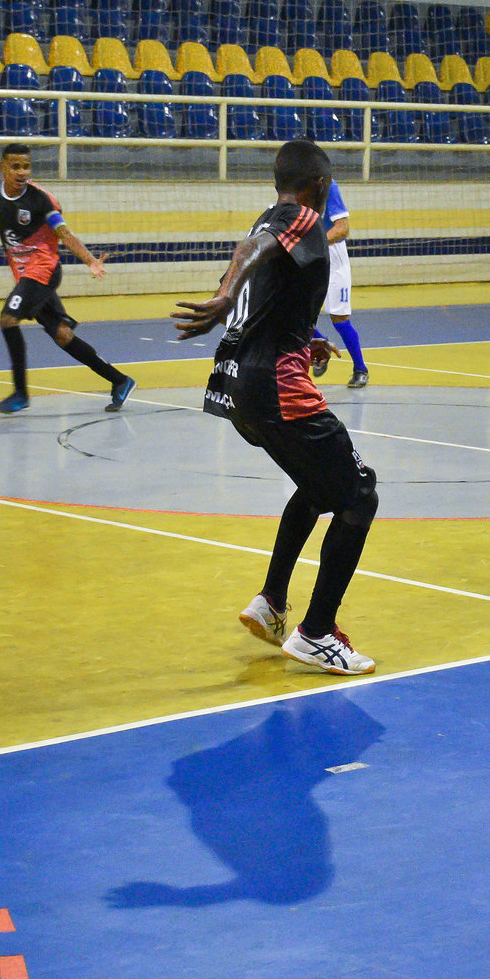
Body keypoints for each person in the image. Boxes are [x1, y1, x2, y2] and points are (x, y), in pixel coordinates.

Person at [174, 139, 380, 675]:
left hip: (240, 378)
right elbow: (251, 255)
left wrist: (303, 335)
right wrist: (222, 296)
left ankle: (270, 603)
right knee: (359, 495)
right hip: (276, 384)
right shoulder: (301, 218)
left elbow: (267, 285)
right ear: (321, 183)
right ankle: (316, 633)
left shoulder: (268, 216)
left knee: (316, 489)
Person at [0, 143, 134, 413]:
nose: (22, 172)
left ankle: (20, 394)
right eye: (16, 166)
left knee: (8, 319)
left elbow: (64, 234)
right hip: (25, 275)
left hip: (43, 270)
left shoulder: (40, 199)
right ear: (3, 167)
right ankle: (119, 380)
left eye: (26, 166)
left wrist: (90, 260)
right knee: (62, 336)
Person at [308, 177, 368, 389]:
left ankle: (360, 369)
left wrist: (316, 242)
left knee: (340, 319)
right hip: (308, 255)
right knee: (297, 314)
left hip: (333, 256)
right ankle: (322, 346)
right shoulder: (293, 187)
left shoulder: (327, 186)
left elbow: (342, 228)